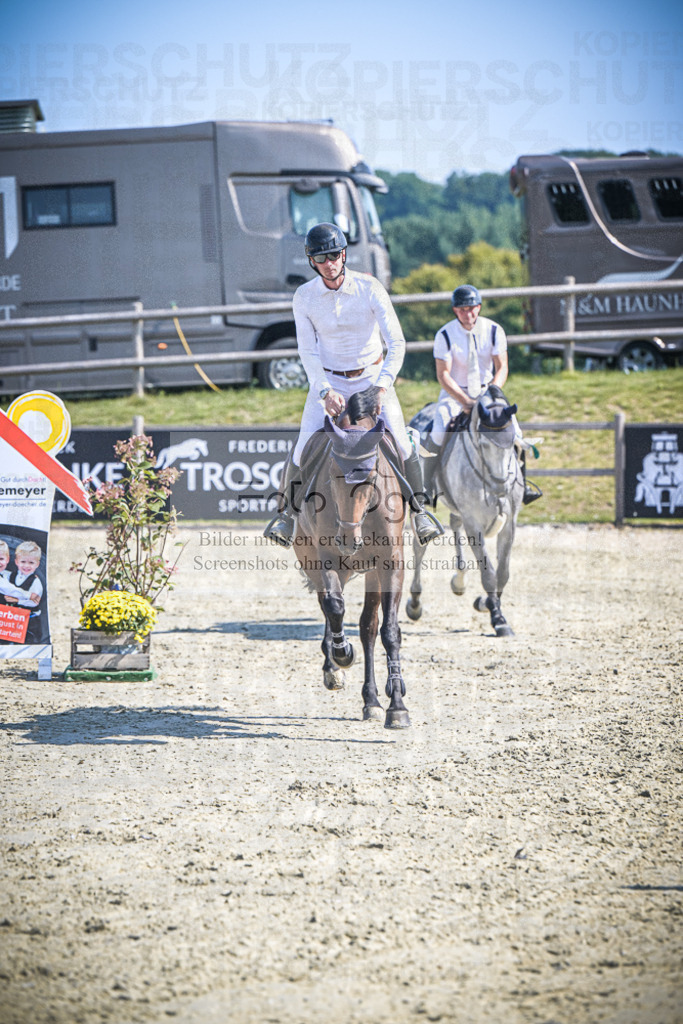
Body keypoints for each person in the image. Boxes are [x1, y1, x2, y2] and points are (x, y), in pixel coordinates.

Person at [264, 222, 442, 548]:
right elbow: (307, 350)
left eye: (334, 255)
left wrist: (382, 387)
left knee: (402, 442)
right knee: (304, 443)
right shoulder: (304, 297)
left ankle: (420, 513)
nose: (330, 262)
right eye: (322, 258)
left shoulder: (370, 287)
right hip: (329, 380)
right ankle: (286, 516)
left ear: (343, 254)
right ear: (312, 262)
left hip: (372, 378)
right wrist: (324, 391)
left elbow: (397, 342)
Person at [423, 284, 542, 505]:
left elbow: (502, 367)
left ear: (478, 307)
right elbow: (443, 375)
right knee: (439, 428)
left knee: (514, 429)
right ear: (455, 311)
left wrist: (492, 393)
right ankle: (426, 486)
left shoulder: (494, 330)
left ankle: (523, 484)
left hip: (488, 390)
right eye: (462, 310)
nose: (467, 314)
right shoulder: (445, 335)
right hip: (455, 393)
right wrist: (465, 401)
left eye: (471, 308)